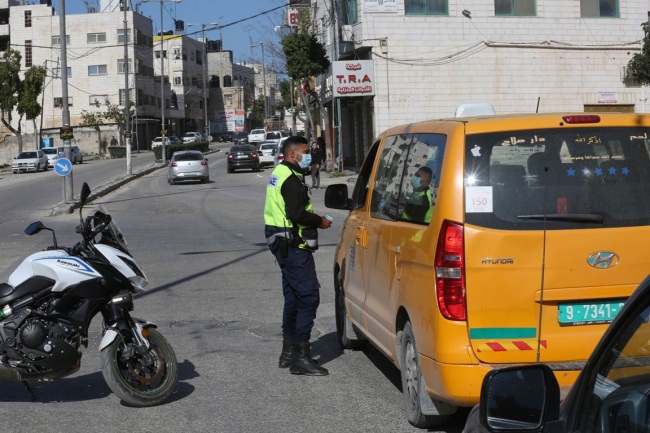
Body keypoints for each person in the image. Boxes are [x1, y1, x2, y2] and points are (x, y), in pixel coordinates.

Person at [264, 135, 333, 376]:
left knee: (293, 297)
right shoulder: (290, 180)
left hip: (284, 244)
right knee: (309, 297)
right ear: (293, 154)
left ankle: (289, 352)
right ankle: (301, 357)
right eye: (305, 151)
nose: (309, 155)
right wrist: (321, 221)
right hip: (292, 245)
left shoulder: (281, 173)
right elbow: (296, 214)